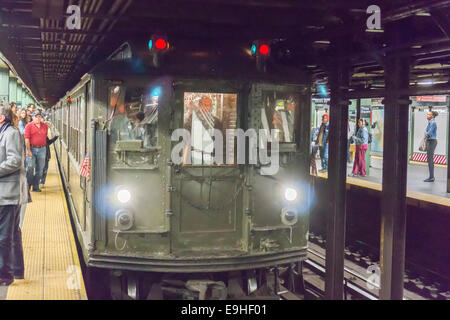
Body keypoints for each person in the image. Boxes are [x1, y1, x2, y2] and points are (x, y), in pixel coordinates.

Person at [0, 104, 24, 286]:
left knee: (4, 237)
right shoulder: (4, 133)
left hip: (7, 193)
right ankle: (16, 270)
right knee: (12, 234)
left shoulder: (11, 134)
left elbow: (15, 160)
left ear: (2, 117)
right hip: (4, 193)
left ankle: (5, 275)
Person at [24, 110, 48, 192]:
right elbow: (26, 139)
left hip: (42, 149)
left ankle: (35, 186)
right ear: (32, 117)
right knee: (30, 168)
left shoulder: (45, 126)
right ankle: (27, 186)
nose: (38, 118)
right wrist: (28, 150)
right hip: (32, 149)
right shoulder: (28, 126)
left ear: (41, 117)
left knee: (40, 169)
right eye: (36, 116)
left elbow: (45, 137)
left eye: (39, 116)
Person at [424, 111, 438, 182]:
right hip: (430, 141)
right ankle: (431, 176)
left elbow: (428, 133)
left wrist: (426, 133)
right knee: (429, 160)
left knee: (430, 160)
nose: (427, 115)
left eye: (429, 114)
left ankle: (431, 177)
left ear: (432, 116)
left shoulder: (433, 123)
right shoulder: (430, 122)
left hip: (432, 142)